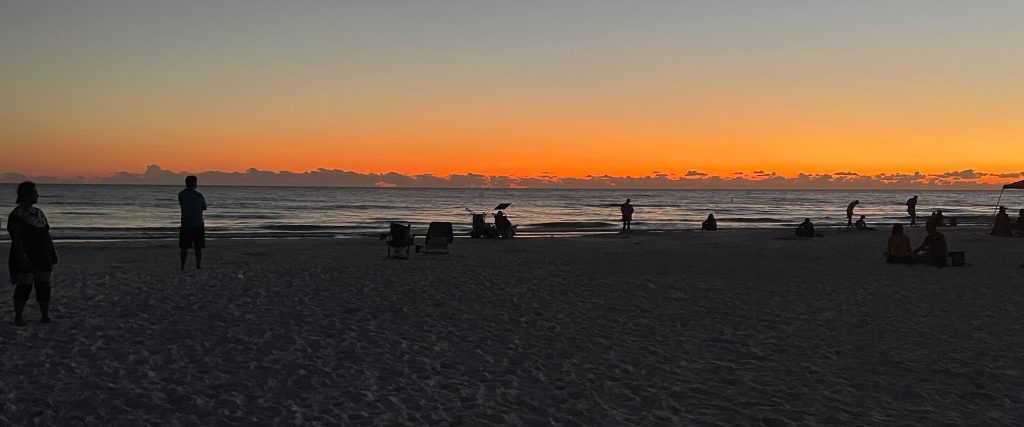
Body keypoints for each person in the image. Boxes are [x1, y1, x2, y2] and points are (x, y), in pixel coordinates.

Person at [8, 182, 57, 326]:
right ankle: (18, 316)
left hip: (43, 254)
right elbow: (16, 238)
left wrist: (52, 252)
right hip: (26, 255)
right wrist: (22, 256)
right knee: (25, 286)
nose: (37, 195)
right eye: (34, 193)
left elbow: (46, 234)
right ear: (26, 195)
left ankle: (44, 315)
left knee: (44, 285)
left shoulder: (39, 213)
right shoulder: (17, 215)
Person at [178, 175, 207, 270]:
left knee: (184, 247)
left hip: (185, 223)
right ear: (193, 184)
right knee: (198, 247)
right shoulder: (199, 196)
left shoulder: (181, 195)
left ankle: (182, 266)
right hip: (197, 223)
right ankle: (198, 265)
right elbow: (204, 207)